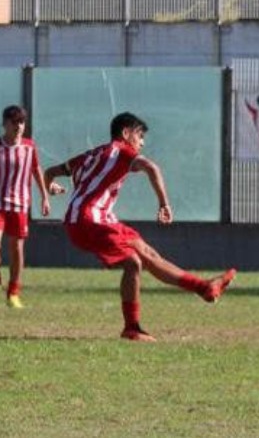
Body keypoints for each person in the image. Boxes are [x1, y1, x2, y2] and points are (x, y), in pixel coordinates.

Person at [44, 112, 236, 342]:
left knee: (147, 254)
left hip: (95, 219)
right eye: (140, 136)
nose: (142, 142)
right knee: (133, 262)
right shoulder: (123, 151)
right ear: (126, 133)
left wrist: (49, 187)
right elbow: (151, 167)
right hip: (88, 220)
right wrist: (164, 203)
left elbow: (50, 172)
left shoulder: (91, 154)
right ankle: (132, 328)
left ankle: (204, 288)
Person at [0, 105, 63, 309]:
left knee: (16, 248)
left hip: (20, 205)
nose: (19, 126)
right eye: (14, 122)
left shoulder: (29, 147)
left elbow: (36, 170)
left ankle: (13, 292)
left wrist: (45, 197)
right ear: (5, 124)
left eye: (22, 122)